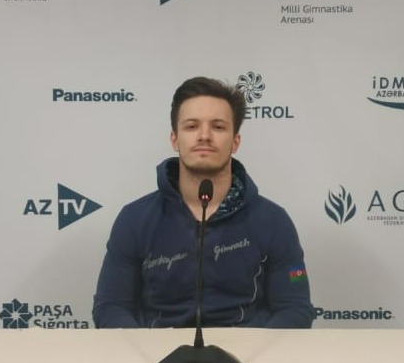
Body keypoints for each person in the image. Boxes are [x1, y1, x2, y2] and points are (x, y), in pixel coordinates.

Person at [92, 76, 314, 329]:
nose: (205, 136)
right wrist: (149, 349)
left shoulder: (274, 221)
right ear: (174, 139)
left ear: (235, 141)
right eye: (191, 126)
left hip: (246, 350)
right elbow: (110, 307)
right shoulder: (134, 219)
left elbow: (295, 309)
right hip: (158, 350)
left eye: (218, 127)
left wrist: (249, 349)